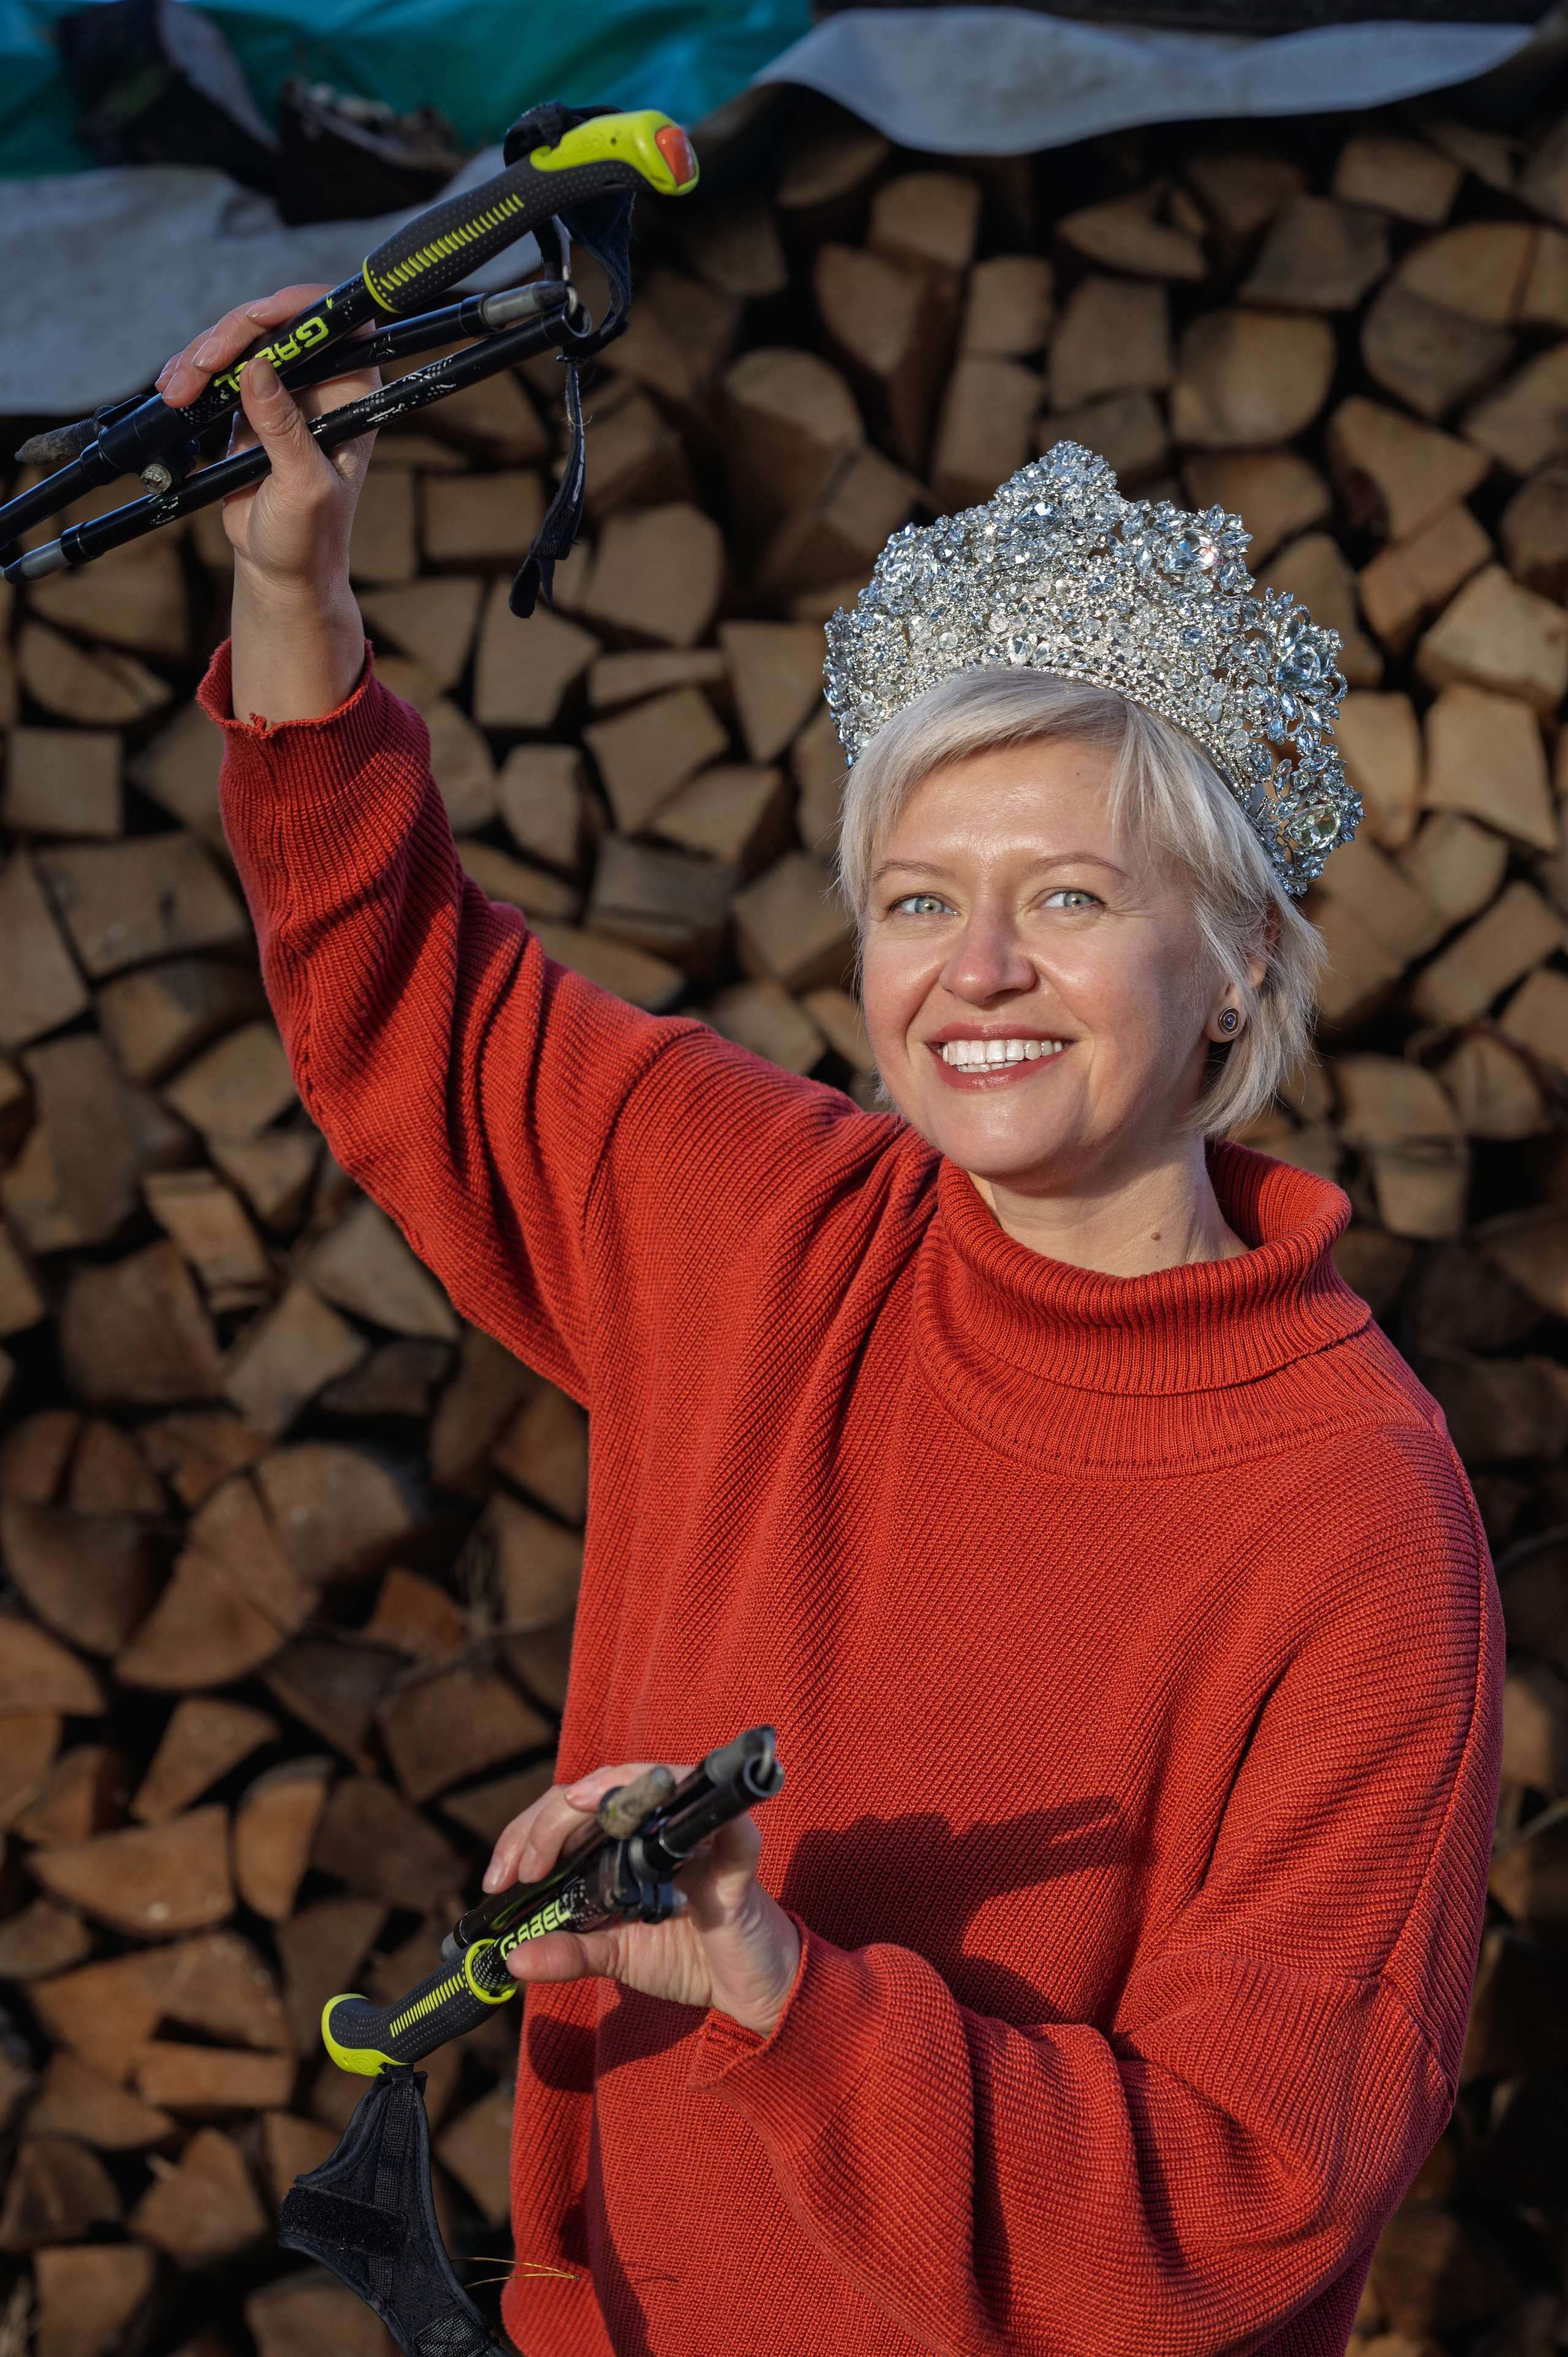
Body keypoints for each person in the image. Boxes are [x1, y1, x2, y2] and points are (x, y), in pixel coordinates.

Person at [165, 291, 1501, 2357]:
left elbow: (1245, 2193)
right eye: (917, 899)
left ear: (1238, 956)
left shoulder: (1356, 1520)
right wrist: (291, 583)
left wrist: (786, 1994)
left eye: (1070, 897)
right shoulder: (768, 1225)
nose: (979, 971)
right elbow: (416, 1000)